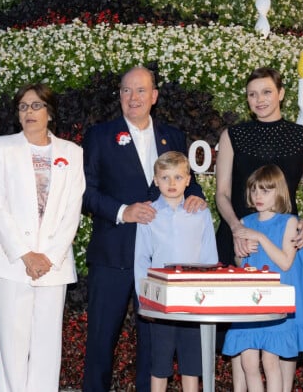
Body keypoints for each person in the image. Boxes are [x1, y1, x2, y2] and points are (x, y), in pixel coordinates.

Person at [82, 66, 206, 392]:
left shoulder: (173, 137)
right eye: (126, 90)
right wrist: (124, 211)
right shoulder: (99, 136)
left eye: (140, 91)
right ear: (119, 96)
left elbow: (186, 183)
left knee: (155, 347)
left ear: (154, 96)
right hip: (113, 254)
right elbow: (86, 193)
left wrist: (195, 198)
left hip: (160, 263)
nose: (133, 97)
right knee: (100, 343)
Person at [215, 66, 303, 391]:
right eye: (252, 94)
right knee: (241, 329)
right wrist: (235, 230)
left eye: (266, 92)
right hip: (240, 237)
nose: (259, 99)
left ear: (281, 94)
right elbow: (222, 193)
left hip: (284, 240)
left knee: (283, 327)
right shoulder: (232, 135)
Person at [0, 83, 85, 392]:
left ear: (49, 112)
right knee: (11, 346)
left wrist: (48, 256)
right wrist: (26, 254)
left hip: (53, 265)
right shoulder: (2, 148)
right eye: (23, 106)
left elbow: (72, 209)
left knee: (46, 344)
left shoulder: (72, 152)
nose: (29, 112)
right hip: (11, 261)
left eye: (36, 105)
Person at [223, 164, 303, 391]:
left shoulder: (289, 222)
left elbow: (285, 262)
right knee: (248, 363)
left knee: (270, 361)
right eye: (254, 190)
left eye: (265, 191)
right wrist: (240, 254)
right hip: (250, 304)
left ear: (280, 192)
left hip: (275, 305)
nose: (258, 196)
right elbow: (241, 264)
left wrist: (261, 239)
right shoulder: (245, 222)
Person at [135, 151, 218, 392]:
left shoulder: (200, 213)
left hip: (194, 299)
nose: (172, 184)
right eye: (165, 178)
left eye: (178, 177)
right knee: (159, 362)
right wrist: (145, 300)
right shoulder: (149, 215)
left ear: (188, 179)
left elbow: (209, 258)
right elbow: (141, 260)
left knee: (192, 364)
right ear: (155, 179)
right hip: (162, 301)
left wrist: (208, 296)